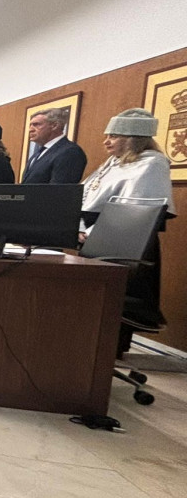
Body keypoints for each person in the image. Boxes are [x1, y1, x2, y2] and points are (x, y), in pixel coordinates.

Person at [81, 109, 176, 351]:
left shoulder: (152, 163)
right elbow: (85, 197)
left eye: (113, 136)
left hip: (127, 241)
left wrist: (92, 233)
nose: (106, 142)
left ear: (133, 138)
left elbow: (134, 209)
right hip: (95, 235)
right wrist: (80, 227)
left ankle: (109, 354)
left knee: (117, 301)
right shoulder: (113, 163)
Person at [21, 107, 87, 184]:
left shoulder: (70, 152)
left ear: (54, 126)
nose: (30, 129)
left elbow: (60, 189)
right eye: (30, 125)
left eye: (36, 125)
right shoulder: (39, 152)